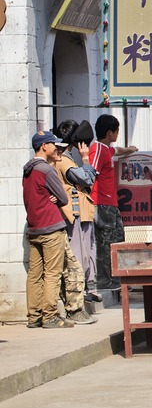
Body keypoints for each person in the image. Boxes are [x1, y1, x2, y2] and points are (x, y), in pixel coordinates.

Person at [23, 131, 74, 329]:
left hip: (34, 228)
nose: (56, 148)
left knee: (34, 274)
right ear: (44, 146)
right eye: (53, 144)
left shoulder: (28, 169)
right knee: (52, 273)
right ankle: (50, 316)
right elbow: (63, 197)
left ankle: (33, 316)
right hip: (51, 227)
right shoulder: (46, 169)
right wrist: (53, 197)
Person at [53, 120, 100, 304]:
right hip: (75, 212)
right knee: (80, 253)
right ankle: (79, 292)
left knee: (86, 251)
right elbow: (87, 179)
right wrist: (86, 160)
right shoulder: (64, 160)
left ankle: (86, 288)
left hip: (81, 210)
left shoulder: (66, 158)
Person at [89, 114, 136, 291]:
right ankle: (104, 280)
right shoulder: (97, 149)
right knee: (104, 243)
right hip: (101, 204)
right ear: (109, 133)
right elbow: (90, 174)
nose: (118, 134)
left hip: (111, 204)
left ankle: (117, 278)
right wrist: (92, 204)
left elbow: (118, 151)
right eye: (116, 131)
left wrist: (130, 149)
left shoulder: (106, 149)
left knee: (118, 240)